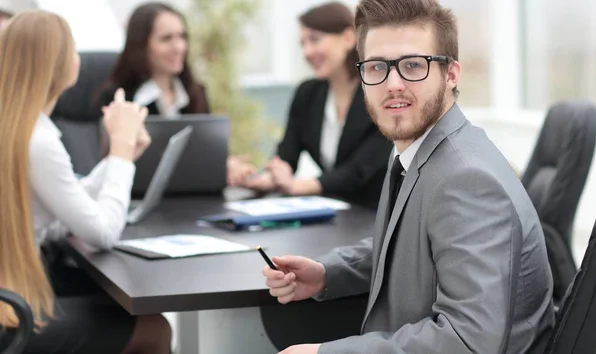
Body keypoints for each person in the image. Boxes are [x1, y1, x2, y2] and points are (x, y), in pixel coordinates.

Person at [262, 0, 555, 353]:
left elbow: (468, 340)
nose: (393, 84)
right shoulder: (415, 146)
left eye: (413, 65)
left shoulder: (468, 180)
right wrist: (327, 273)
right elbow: (410, 244)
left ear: (451, 74)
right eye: (377, 67)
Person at [0, 10, 171, 354]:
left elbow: (69, 200)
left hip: (16, 297)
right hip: (13, 316)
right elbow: (103, 232)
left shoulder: (20, 128)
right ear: (59, 65)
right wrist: (121, 150)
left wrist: (118, 160)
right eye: (72, 49)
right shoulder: (39, 141)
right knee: (154, 328)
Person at [229, 2, 392, 210]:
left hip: (375, 214)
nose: (307, 52)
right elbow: (287, 155)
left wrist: (299, 186)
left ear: (348, 38)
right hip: (330, 213)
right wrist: (264, 177)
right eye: (303, 44)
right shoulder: (308, 93)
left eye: (314, 40)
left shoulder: (380, 90)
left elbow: (359, 171)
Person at [98, 2, 210, 117]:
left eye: (182, 36)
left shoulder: (196, 94)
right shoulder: (116, 99)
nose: (179, 47)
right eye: (166, 38)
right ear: (141, 45)